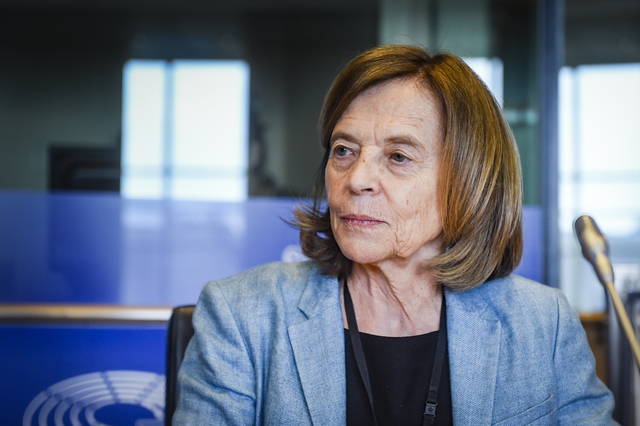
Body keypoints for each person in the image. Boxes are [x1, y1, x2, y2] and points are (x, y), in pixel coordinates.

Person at [173, 45, 616, 425]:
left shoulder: (542, 323)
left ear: (469, 180)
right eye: (343, 151)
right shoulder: (242, 315)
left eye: (398, 156)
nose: (356, 179)